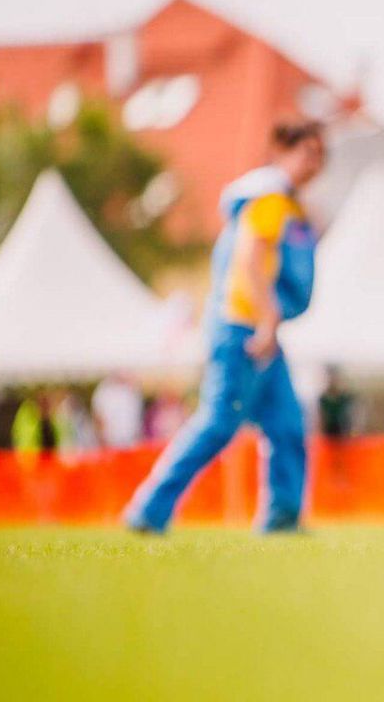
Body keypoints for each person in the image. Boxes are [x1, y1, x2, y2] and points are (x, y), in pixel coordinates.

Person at [125, 121, 325, 534]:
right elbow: (251, 260)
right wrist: (268, 322)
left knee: (286, 422)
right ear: (281, 152)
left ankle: (283, 517)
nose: (314, 163)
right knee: (217, 424)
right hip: (245, 330)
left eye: (319, 155)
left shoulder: (279, 201)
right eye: (306, 152)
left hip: (255, 329)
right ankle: (148, 511)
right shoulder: (270, 198)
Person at [92, 373, 144, 449]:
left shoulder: (132, 389)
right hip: (111, 442)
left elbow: (136, 417)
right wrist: (103, 439)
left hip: (131, 440)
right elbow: (98, 418)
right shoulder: (104, 391)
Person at [318, 366, 354, 440]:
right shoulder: (323, 399)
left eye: (335, 378)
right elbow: (321, 419)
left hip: (344, 437)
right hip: (328, 437)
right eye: (331, 378)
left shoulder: (345, 398)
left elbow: (350, 418)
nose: (333, 380)